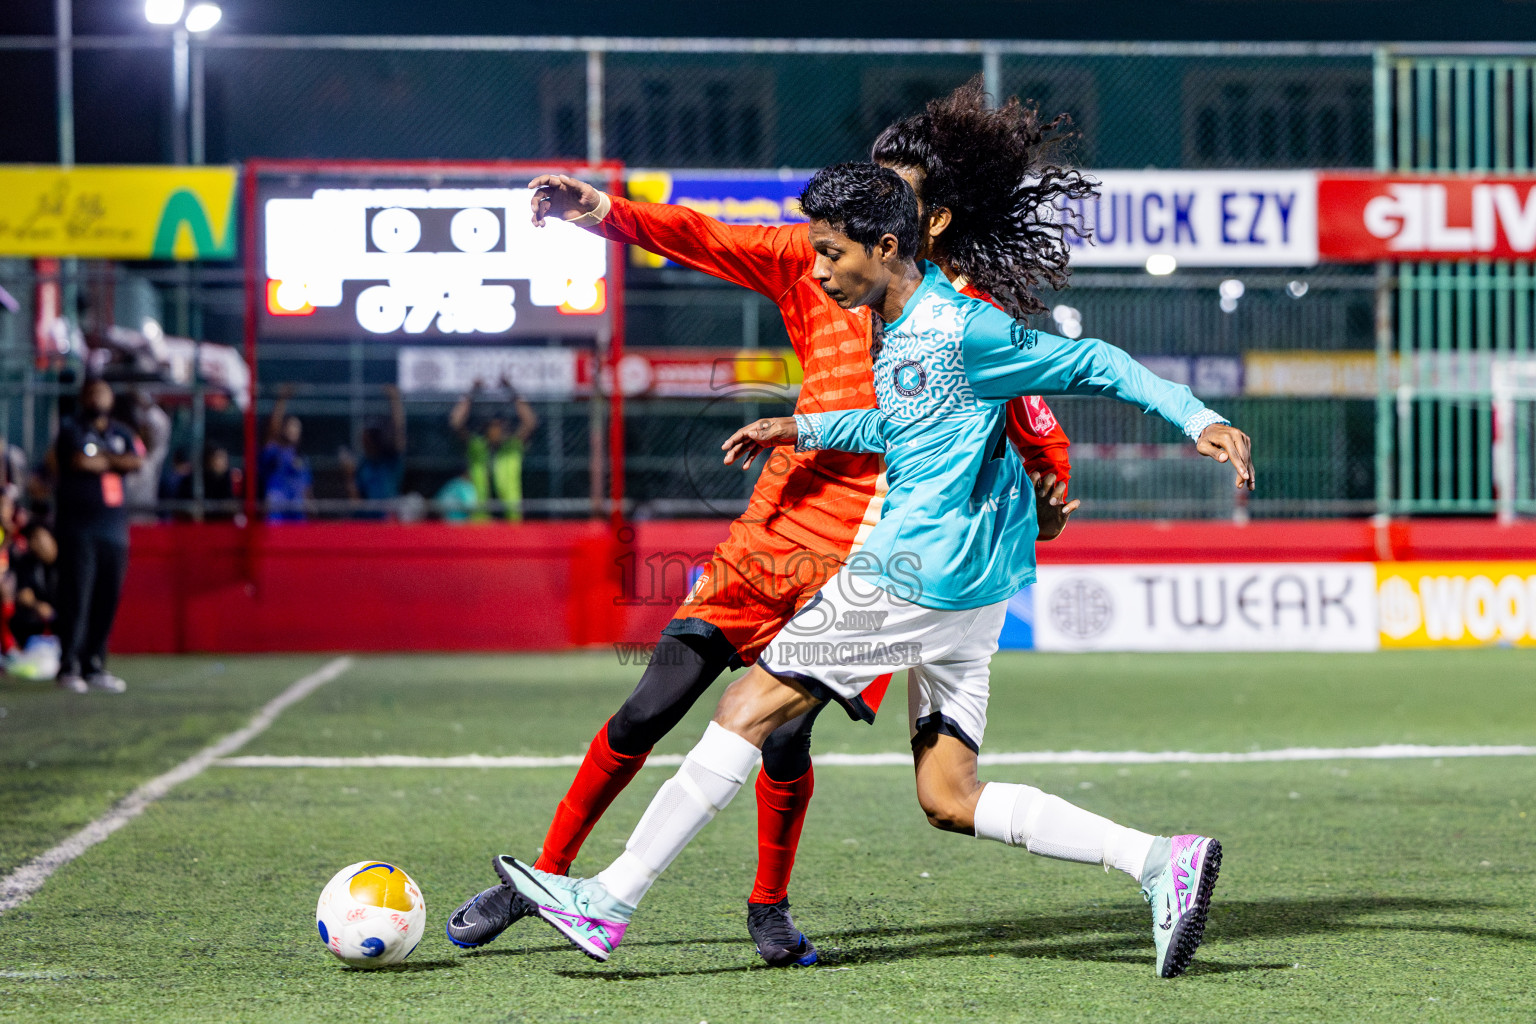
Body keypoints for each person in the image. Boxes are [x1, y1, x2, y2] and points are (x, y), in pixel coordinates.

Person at [496, 163, 1255, 979]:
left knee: (747, 706)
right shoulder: (902, 319)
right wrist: (798, 428)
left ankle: (609, 901)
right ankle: (1156, 862)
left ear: (886, 246)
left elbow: (1095, 361)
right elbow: (906, 418)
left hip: (914, 573)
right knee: (949, 796)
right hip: (973, 592)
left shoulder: (963, 329)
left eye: (830, 255)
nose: (817, 272)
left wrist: (1198, 417)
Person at [446, 84, 1083, 967]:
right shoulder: (810, 258)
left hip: (866, 550)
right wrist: (603, 212)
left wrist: (1049, 492)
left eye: (894, 195)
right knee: (647, 707)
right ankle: (542, 879)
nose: (867, 210)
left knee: (783, 736)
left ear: (926, 225)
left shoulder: (964, 314)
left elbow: (1032, 419)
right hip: (771, 530)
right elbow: (705, 236)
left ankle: (768, 907)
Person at [51, 378, 143, 693]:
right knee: (77, 597)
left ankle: (95, 664)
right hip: (78, 529)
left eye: (103, 391)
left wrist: (103, 461)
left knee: (107, 597)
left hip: (114, 531)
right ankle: (70, 665)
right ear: (82, 397)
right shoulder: (70, 429)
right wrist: (112, 463)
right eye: (92, 392)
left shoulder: (121, 432)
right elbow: (79, 460)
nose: (98, 397)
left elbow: (135, 461)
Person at [448, 380, 537, 522]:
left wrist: (513, 391)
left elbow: (530, 422)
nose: (498, 431)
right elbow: (456, 423)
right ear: (487, 429)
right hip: (482, 520)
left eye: (501, 426)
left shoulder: (511, 448)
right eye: (494, 426)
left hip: (511, 518)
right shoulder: (477, 447)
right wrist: (470, 393)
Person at [339, 384, 407, 518]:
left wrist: (395, 400)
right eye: (367, 435)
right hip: (368, 523)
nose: (367, 439)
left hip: (389, 520)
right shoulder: (362, 465)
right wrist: (349, 476)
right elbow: (355, 502)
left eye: (371, 435)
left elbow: (399, 432)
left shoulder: (390, 460)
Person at [259, 384, 311, 521]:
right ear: (283, 428)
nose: (294, 430)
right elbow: (272, 430)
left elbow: (306, 487)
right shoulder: (274, 451)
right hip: (276, 508)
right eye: (291, 426)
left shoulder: (302, 458)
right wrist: (281, 401)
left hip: (296, 511)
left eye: (297, 427)